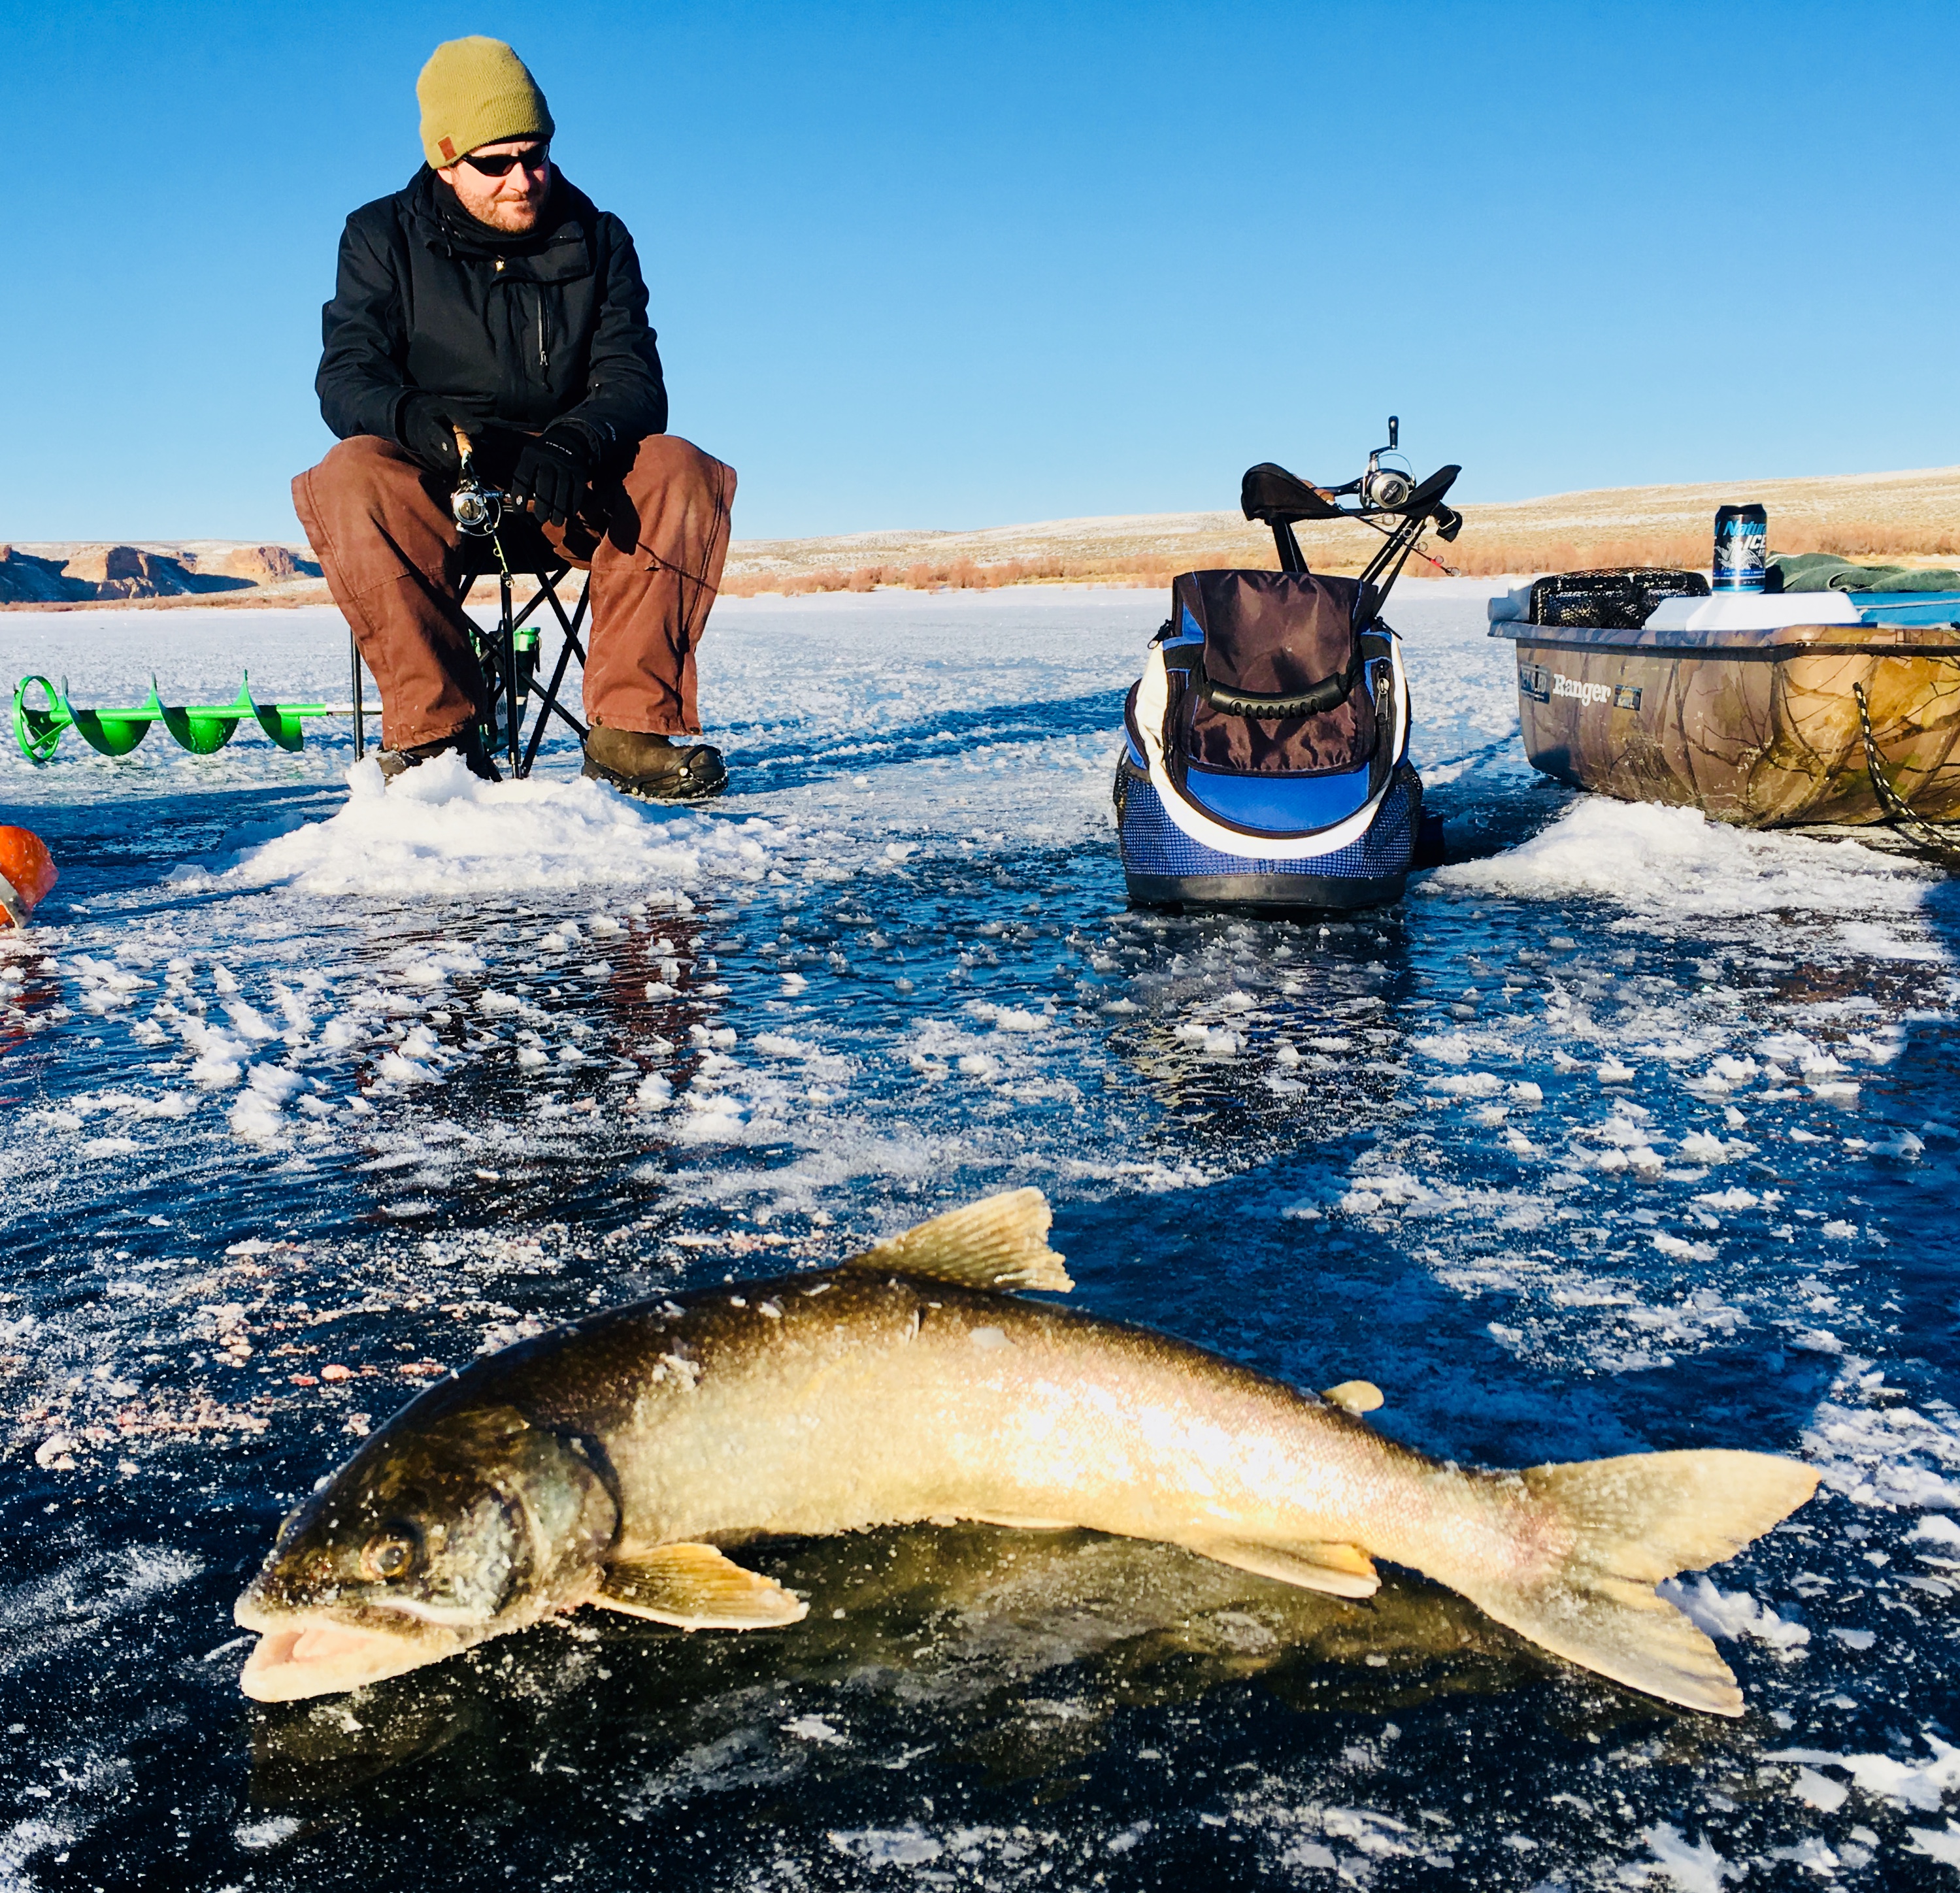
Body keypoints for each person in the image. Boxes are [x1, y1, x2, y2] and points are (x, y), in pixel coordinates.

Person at [293, 36, 735, 798]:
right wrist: (428, 429)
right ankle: (437, 740)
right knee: (350, 475)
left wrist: (576, 439)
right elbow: (347, 376)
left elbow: (634, 377)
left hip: (571, 486)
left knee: (677, 467)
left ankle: (629, 730)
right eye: (495, 164)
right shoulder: (379, 237)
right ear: (444, 159)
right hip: (445, 488)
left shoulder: (599, 237)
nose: (522, 180)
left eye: (535, 155)